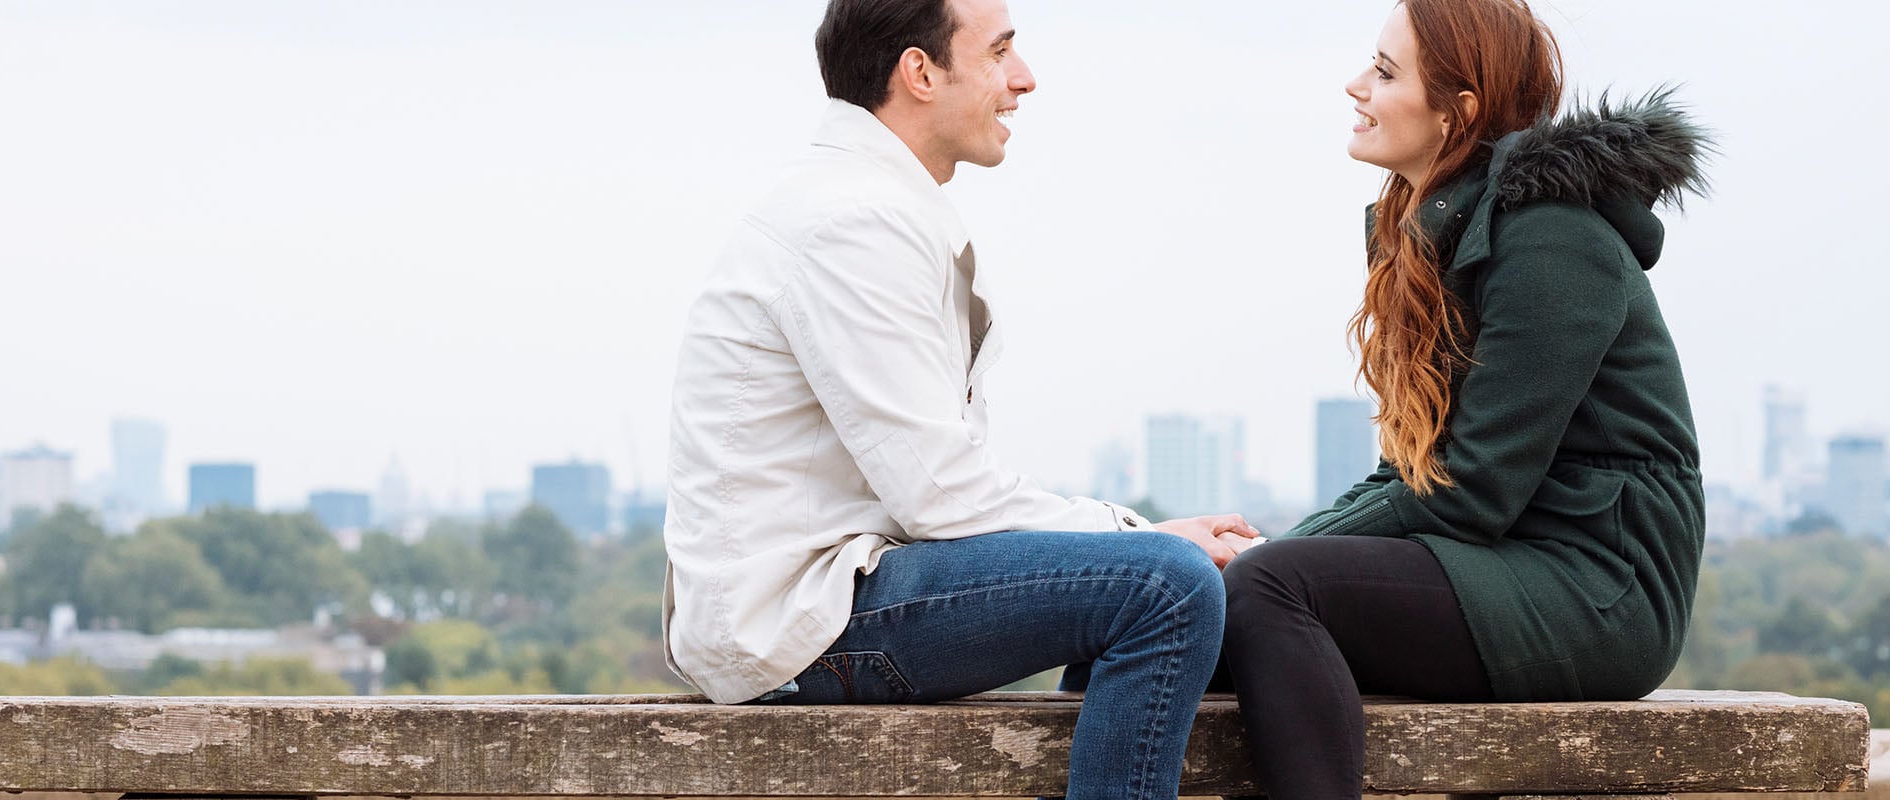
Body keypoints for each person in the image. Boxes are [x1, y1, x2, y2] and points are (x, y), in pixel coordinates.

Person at [660, 0, 1259, 797]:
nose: (1025, 78)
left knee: (1149, 583)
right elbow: (939, 492)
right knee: (1164, 586)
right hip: (797, 623)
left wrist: (1128, 544)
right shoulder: (852, 220)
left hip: (826, 597)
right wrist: (1138, 535)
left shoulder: (864, 201)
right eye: (1000, 52)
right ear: (920, 72)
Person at [1216, 1, 1712, 797]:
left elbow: (1474, 487)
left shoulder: (1552, 237)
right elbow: (1410, 473)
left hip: (1599, 586)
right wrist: (1268, 551)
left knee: (1268, 587)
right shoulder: (1437, 233)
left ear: (1458, 112)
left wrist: (1266, 560)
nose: (1355, 85)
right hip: (1499, 558)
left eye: (1384, 73)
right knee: (1163, 609)